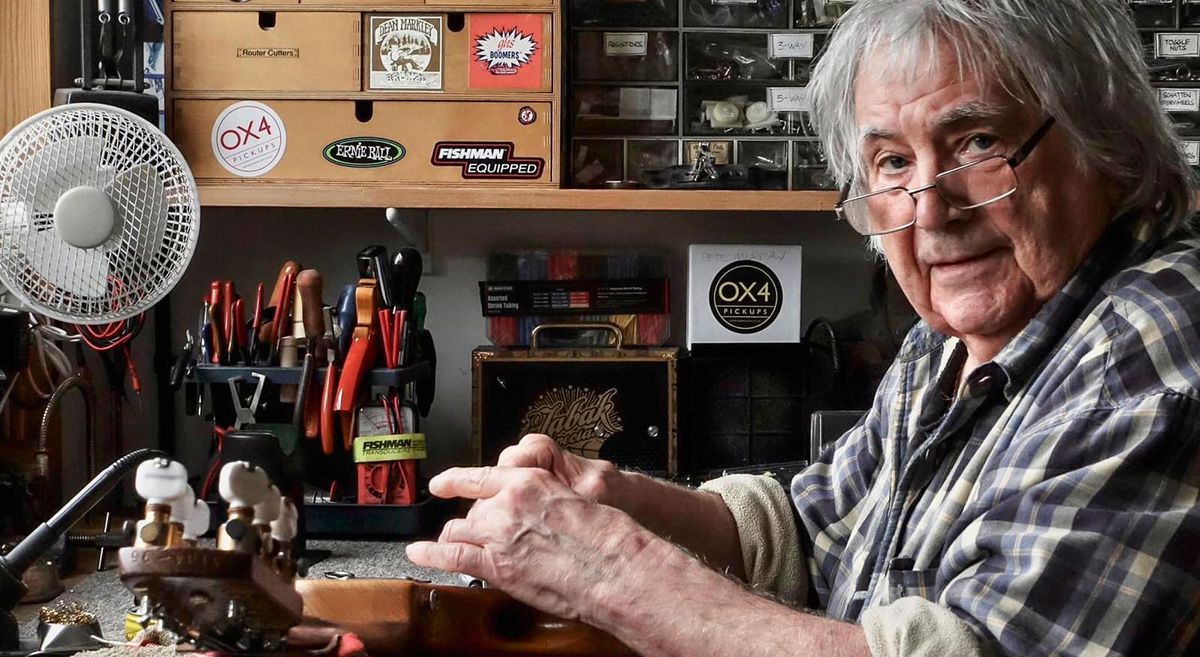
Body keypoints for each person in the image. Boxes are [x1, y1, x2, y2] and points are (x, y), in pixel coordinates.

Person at [407, 1, 1200, 655]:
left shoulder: (1149, 344)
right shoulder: (957, 336)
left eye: (979, 143)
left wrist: (612, 569)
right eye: (891, 163)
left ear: (1107, 145)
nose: (930, 211)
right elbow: (814, 525)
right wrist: (611, 498)